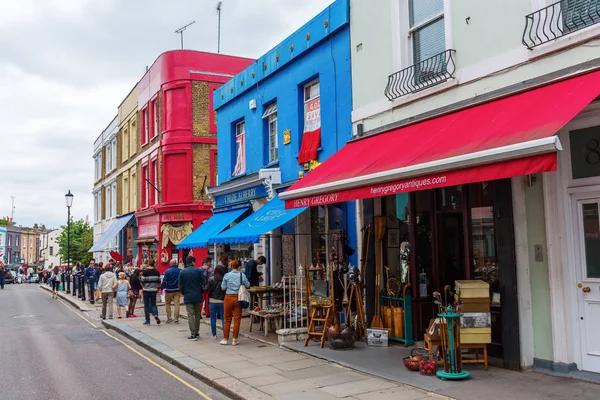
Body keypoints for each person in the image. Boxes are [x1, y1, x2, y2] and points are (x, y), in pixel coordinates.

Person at [221, 259, 250, 346]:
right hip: (239, 298)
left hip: (228, 298)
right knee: (237, 320)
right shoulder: (242, 275)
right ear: (239, 267)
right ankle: (234, 339)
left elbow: (223, 287)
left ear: (232, 266)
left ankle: (225, 339)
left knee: (227, 319)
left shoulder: (227, 275)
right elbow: (248, 285)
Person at [178, 255, 205, 341]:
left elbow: (179, 284)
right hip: (197, 295)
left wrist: (183, 292)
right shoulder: (198, 271)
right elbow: (204, 282)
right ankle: (196, 332)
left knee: (190, 315)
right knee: (197, 314)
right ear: (193, 262)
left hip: (188, 295)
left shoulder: (182, 272)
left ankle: (193, 333)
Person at [208, 265, 227, 339]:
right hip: (222, 301)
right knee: (223, 318)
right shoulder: (224, 279)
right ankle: (225, 334)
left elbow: (207, 289)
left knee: (213, 318)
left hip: (212, 300)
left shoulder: (211, 279)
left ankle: (214, 335)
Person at [141, 259, 161, 325]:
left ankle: (147, 321)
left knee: (146, 305)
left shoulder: (145, 272)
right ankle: (155, 314)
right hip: (154, 290)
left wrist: (145, 285)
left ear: (148, 264)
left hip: (146, 290)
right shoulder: (157, 272)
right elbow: (159, 282)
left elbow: (142, 282)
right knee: (153, 304)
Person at [162, 259, 181, 324]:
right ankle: (176, 319)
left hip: (169, 290)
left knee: (167, 304)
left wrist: (162, 288)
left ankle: (169, 317)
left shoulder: (167, 271)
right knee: (177, 304)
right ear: (176, 264)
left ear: (170, 264)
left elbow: (164, 281)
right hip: (177, 290)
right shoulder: (180, 271)